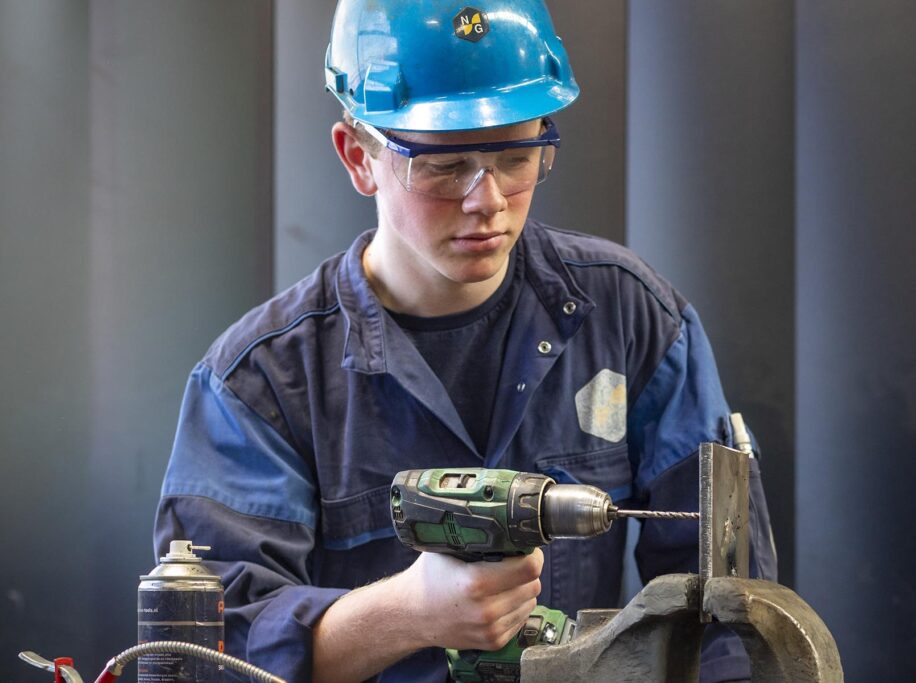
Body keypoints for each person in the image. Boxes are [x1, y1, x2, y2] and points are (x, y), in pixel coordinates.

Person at [154, 1, 777, 681]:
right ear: (358, 156)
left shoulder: (631, 319)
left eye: (517, 155)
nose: (490, 200)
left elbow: (726, 615)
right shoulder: (260, 385)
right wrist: (408, 613)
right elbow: (204, 655)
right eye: (445, 167)